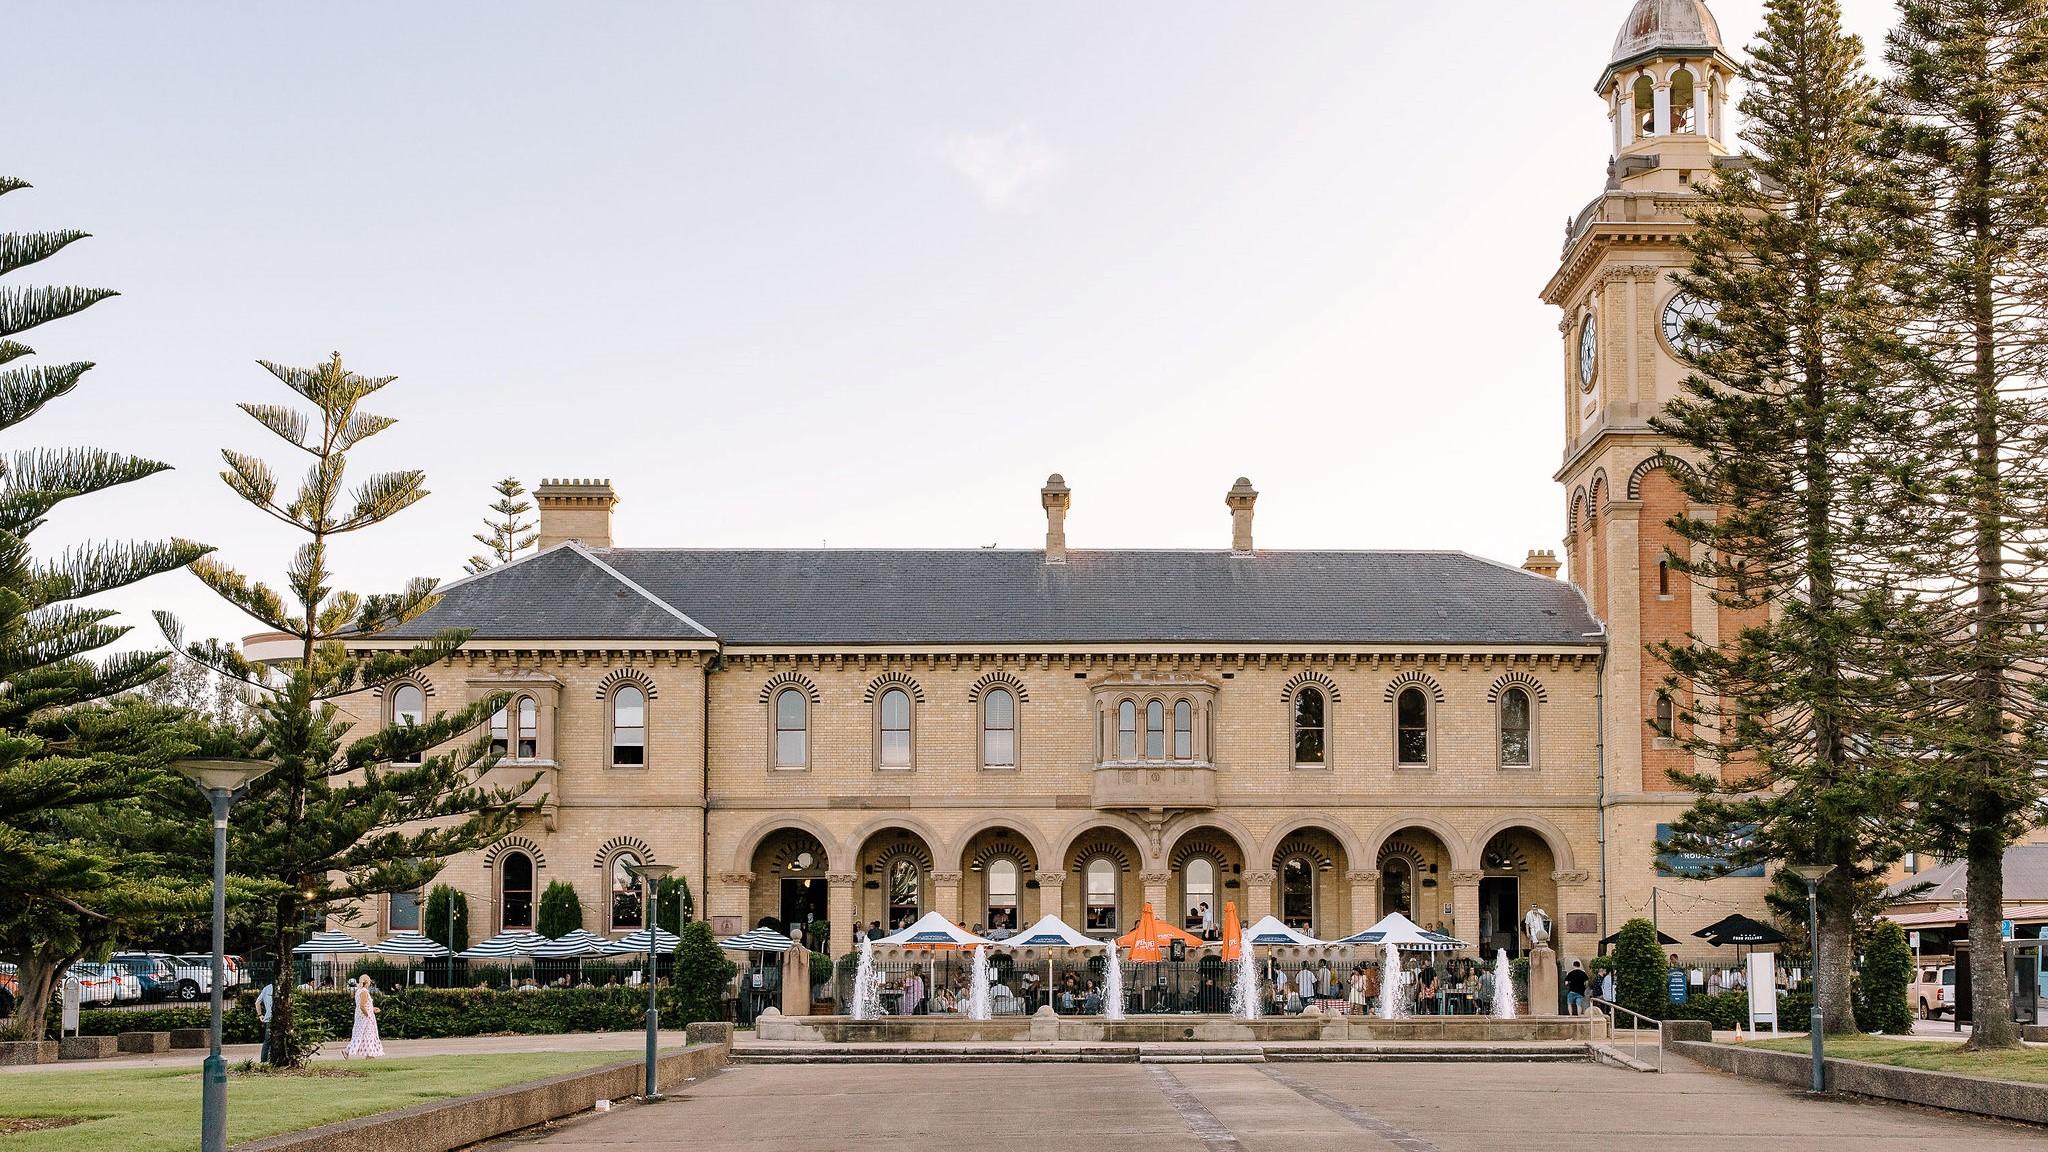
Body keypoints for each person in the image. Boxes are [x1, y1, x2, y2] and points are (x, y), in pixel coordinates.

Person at [344, 974, 383, 1059]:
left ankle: (366, 1053)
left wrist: (372, 1009)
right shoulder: (364, 992)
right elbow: (362, 1006)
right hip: (365, 1018)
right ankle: (369, 1054)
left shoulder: (359, 991)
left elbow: (363, 1005)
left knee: (360, 1034)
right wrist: (368, 1014)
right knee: (369, 1034)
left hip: (360, 1017)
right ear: (367, 982)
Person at [255, 980, 275, 1064]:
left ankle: (263, 1061)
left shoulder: (267, 988)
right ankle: (273, 1060)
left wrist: (260, 1015)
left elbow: (257, 1003)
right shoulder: (284, 988)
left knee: (267, 1041)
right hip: (279, 1018)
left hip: (269, 1018)